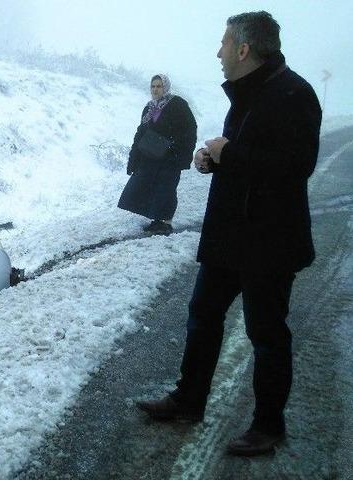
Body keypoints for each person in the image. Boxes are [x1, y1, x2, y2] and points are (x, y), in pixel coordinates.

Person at [136, 11, 322, 457]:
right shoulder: (249, 92)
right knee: (203, 316)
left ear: (243, 49)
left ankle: (268, 425)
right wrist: (213, 159)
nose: (217, 53)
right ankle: (188, 400)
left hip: (270, 241)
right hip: (229, 236)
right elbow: (251, 158)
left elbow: (296, 168)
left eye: (224, 44)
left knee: (266, 334)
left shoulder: (295, 93)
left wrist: (231, 154)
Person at [117, 74, 197, 235]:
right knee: (152, 187)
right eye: (153, 86)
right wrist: (134, 159)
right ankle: (156, 219)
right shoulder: (149, 108)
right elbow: (140, 133)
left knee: (167, 187)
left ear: (165, 87)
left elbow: (190, 128)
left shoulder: (177, 104)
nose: (155, 89)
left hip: (170, 156)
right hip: (150, 155)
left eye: (159, 86)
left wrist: (178, 150)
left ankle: (165, 222)